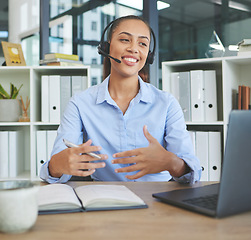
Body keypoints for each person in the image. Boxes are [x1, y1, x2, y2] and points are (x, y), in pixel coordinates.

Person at [40, 15, 201, 183]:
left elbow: (193, 172)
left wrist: (170, 162)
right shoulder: (80, 104)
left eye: (142, 43)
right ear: (106, 47)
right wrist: (57, 165)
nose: (133, 48)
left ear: (149, 55)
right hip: (105, 200)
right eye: (125, 40)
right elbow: (56, 170)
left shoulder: (166, 103)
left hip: (157, 198)